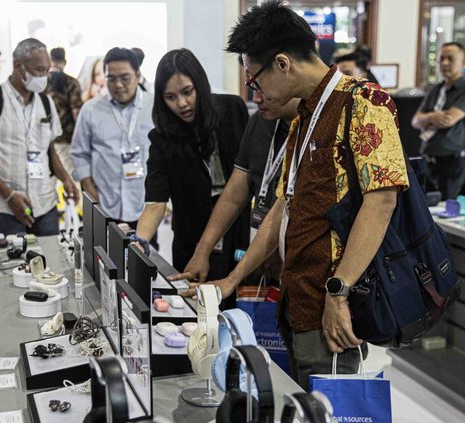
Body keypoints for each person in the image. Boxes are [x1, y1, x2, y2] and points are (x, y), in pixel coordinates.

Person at [181, 0, 409, 390]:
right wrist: (232, 279)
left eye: (255, 80)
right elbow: (284, 208)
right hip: (296, 299)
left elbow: (382, 200)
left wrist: (340, 292)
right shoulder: (304, 117)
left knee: (328, 408)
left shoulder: (364, 102)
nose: (257, 90)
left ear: (282, 64)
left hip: (331, 307)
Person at [134, 48, 249, 307]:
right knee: (195, 313)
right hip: (191, 240)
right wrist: (140, 242)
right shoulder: (162, 138)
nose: (182, 104)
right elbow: (155, 202)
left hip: (236, 235)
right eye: (171, 97)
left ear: (199, 84)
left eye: (187, 92)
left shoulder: (232, 109)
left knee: (237, 311)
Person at [170, 88, 300, 285]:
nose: (255, 97)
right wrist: (203, 251)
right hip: (260, 259)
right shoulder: (261, 121)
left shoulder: (321, 125)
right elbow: (234, 194)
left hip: (301, 270)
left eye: (261, 86)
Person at [0, 38, 78, 237]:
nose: (45, 77)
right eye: (39, 70)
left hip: (44, 204)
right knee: (12, 265)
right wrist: (9, 195)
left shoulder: (46, 103)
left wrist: (65, 178)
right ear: (18, 66)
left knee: (50, 263)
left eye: (47, 70)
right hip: (4, 208)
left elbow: (49, 148)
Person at [71, 47, 154, 228]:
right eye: (111, 79)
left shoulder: (153, 108)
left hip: (145, 206)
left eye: (125, 78)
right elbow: (79, 153)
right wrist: (90, 190)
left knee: (143, 254)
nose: (118, 85)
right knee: (102, 255)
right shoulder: (91, 110)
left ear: (138, 75)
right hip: (105, 204)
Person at [412, 41, 465, 199]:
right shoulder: (436, 89)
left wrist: (427, 117)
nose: (444, 63)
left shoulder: (463, 89)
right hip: (428, 160)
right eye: (441, 59)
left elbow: (449, 119)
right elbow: (415, 121)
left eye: (450, 59)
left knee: (446, 210)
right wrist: (432, 116)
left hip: (452, 162)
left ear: (462, 62)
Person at [48, 47, 83, 175]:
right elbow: (76, 111)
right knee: (68, 174)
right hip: (66, 137)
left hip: (44, 138)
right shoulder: (71, 82)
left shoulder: (41, 82)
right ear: (65, 62)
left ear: (50, 60)